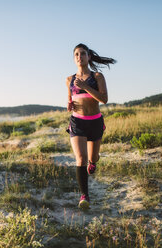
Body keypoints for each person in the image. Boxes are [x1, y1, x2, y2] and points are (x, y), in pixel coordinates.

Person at [66, 43, 116, 209]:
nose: (80, 57)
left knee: (92, 158)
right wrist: (69, 104)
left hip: (94, 122)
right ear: (74, 59)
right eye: (77, 55)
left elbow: (104, 99)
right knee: (81, 158)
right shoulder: (69, 80)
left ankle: (93, 162)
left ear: (89, 57)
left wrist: (86, 87)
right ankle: (84, 196)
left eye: (83, 54)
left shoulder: (97, 77)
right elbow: (70, 98)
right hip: (77, 122)